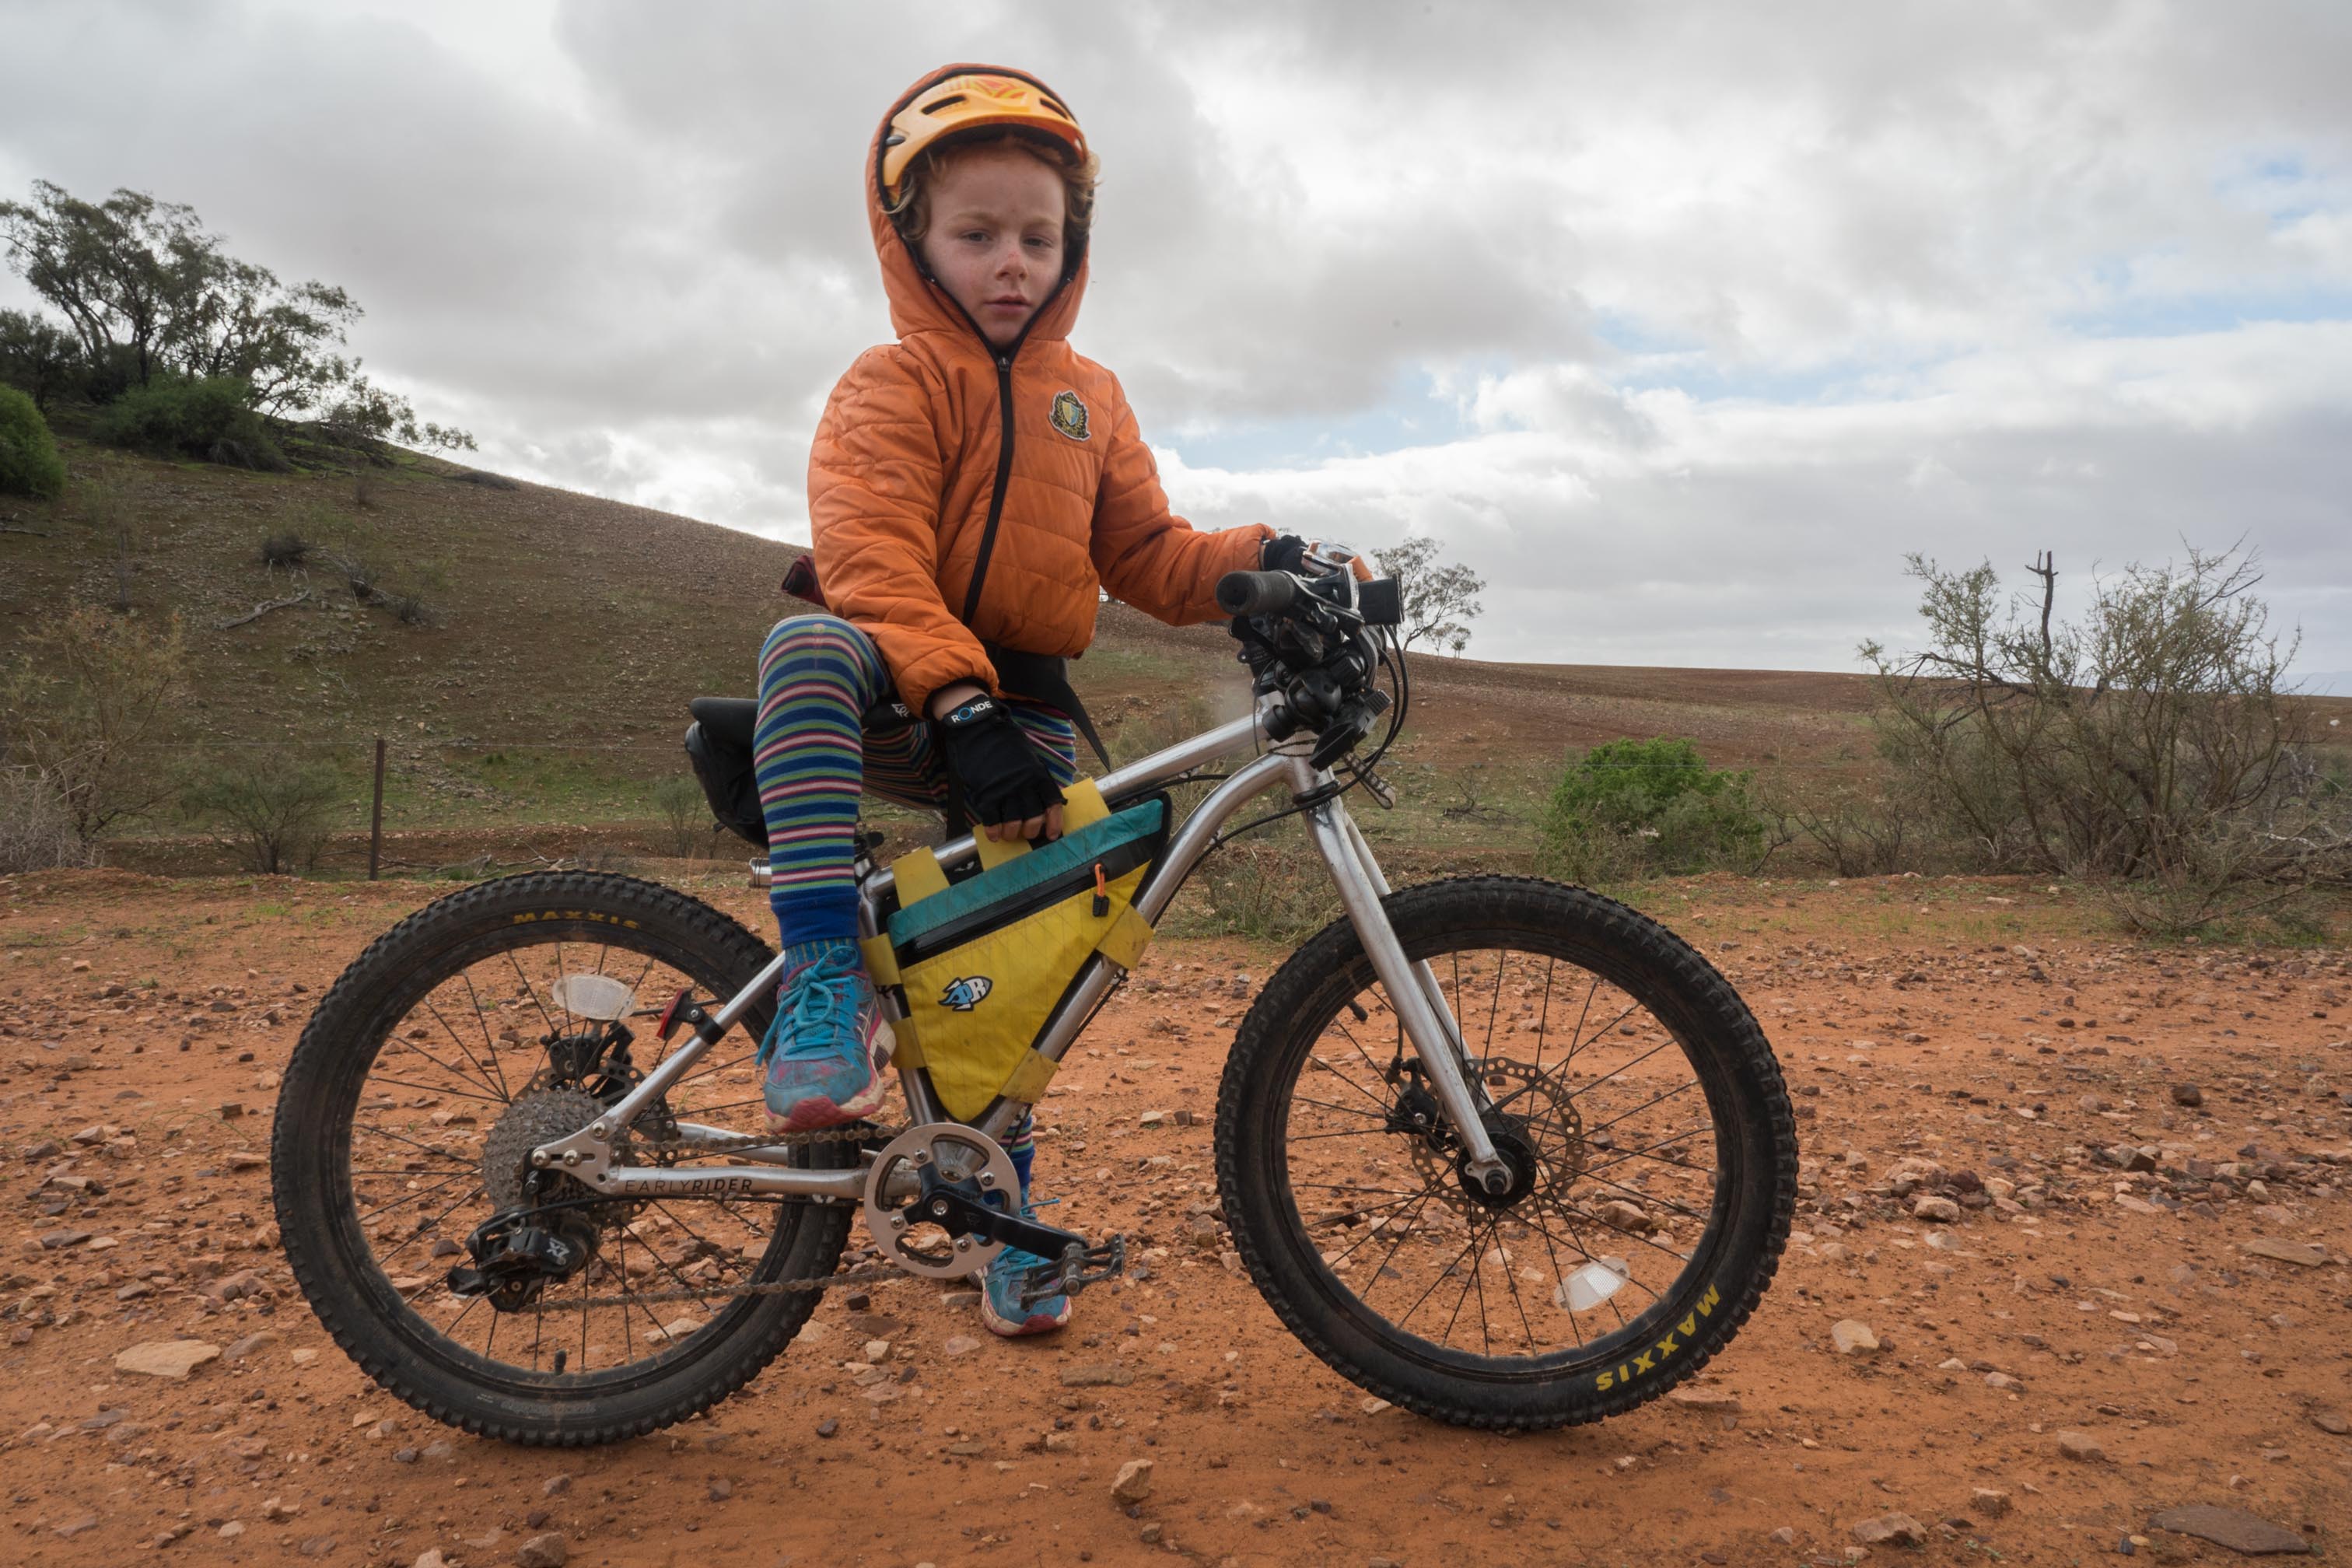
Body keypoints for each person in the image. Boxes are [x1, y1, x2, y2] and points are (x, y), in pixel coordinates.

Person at [751, 65, 1311, 1338]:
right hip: (904, 688)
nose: (1012, 261)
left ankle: (996, 1216)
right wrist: (957, 704)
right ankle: (823, 978)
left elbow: (1150, 556)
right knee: (805, 645)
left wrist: (1271, 559)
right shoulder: (888, 384)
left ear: (1074, 249)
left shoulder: (1090, 397)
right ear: (912, 244)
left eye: (1038, 238)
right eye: (977, 234)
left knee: (1007, 987)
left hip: (1033, 707)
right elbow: (871, 558)